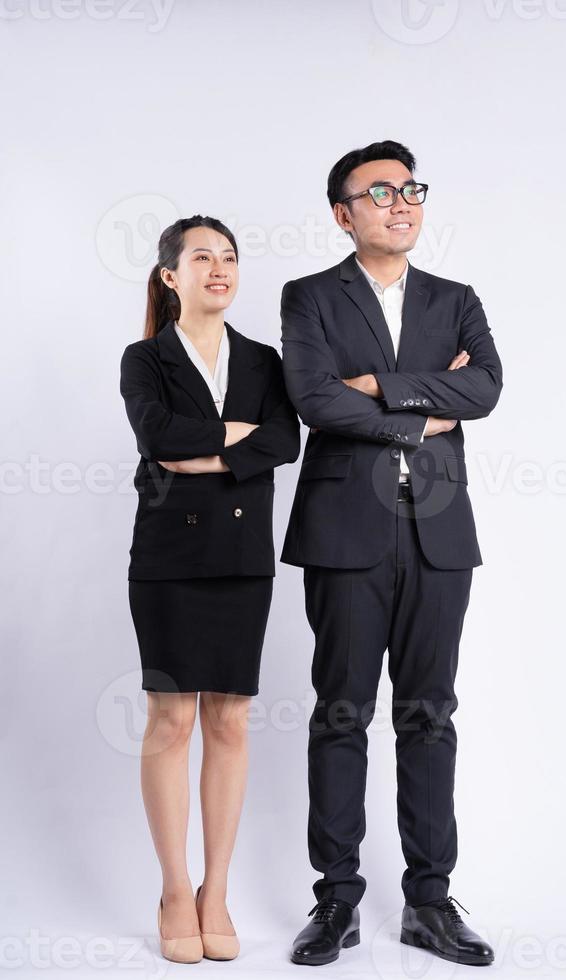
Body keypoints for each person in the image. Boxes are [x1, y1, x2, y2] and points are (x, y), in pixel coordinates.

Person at [280, 141, 503, 967]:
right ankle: (335, 901)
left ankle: (430, 904)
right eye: (378, 192)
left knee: (430, 715)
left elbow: (485, 388)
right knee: (341, 712)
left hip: (440, 533)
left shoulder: (456, 298)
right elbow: (312, 399)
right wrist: (421, 407)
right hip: (346, 532)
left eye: (410, 188)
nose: (400, 202)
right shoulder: (308, 298)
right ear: (344, 213)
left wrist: (375, 384)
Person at [119, 215, 300, 963]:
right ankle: (173, 888)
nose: (220, 269)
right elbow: (158, 439)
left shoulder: (262, 359)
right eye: (203, 257)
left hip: (242, 559)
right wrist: (234, 436)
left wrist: (207, 448)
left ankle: (215, 890)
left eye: (229, 257)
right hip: (166, 561)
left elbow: (284, 440)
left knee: (228, 723)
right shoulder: (145, 357)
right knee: (171, 723)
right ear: (171, 275)